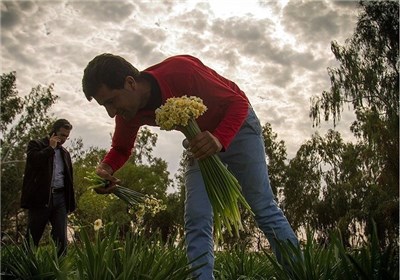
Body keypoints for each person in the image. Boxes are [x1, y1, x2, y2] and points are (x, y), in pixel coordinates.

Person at [82, 54, 299, 279]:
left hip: (238, 128)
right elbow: (120, 149)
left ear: (130, 83)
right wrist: (106, 169)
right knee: (196, 216)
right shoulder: (128, 113)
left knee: (262, 205)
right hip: (198, 143)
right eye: (104, 105)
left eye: (111, 101)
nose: (111, 112)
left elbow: (238, 103)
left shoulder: (181, 71)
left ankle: (298, 273)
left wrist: (218, 138)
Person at [21, 119, 76, 256]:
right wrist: (50, 148)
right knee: (33, 236)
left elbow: (69, 179)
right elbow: (33, 162)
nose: (64, 139)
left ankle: (60, 270)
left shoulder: (65, 153)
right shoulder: (36, 145)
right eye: (62, 135)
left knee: (61, 239)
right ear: (54, 131)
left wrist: (70, 203)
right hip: (41, 198)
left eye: (66, 136)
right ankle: (24, 269)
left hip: (60, 199)